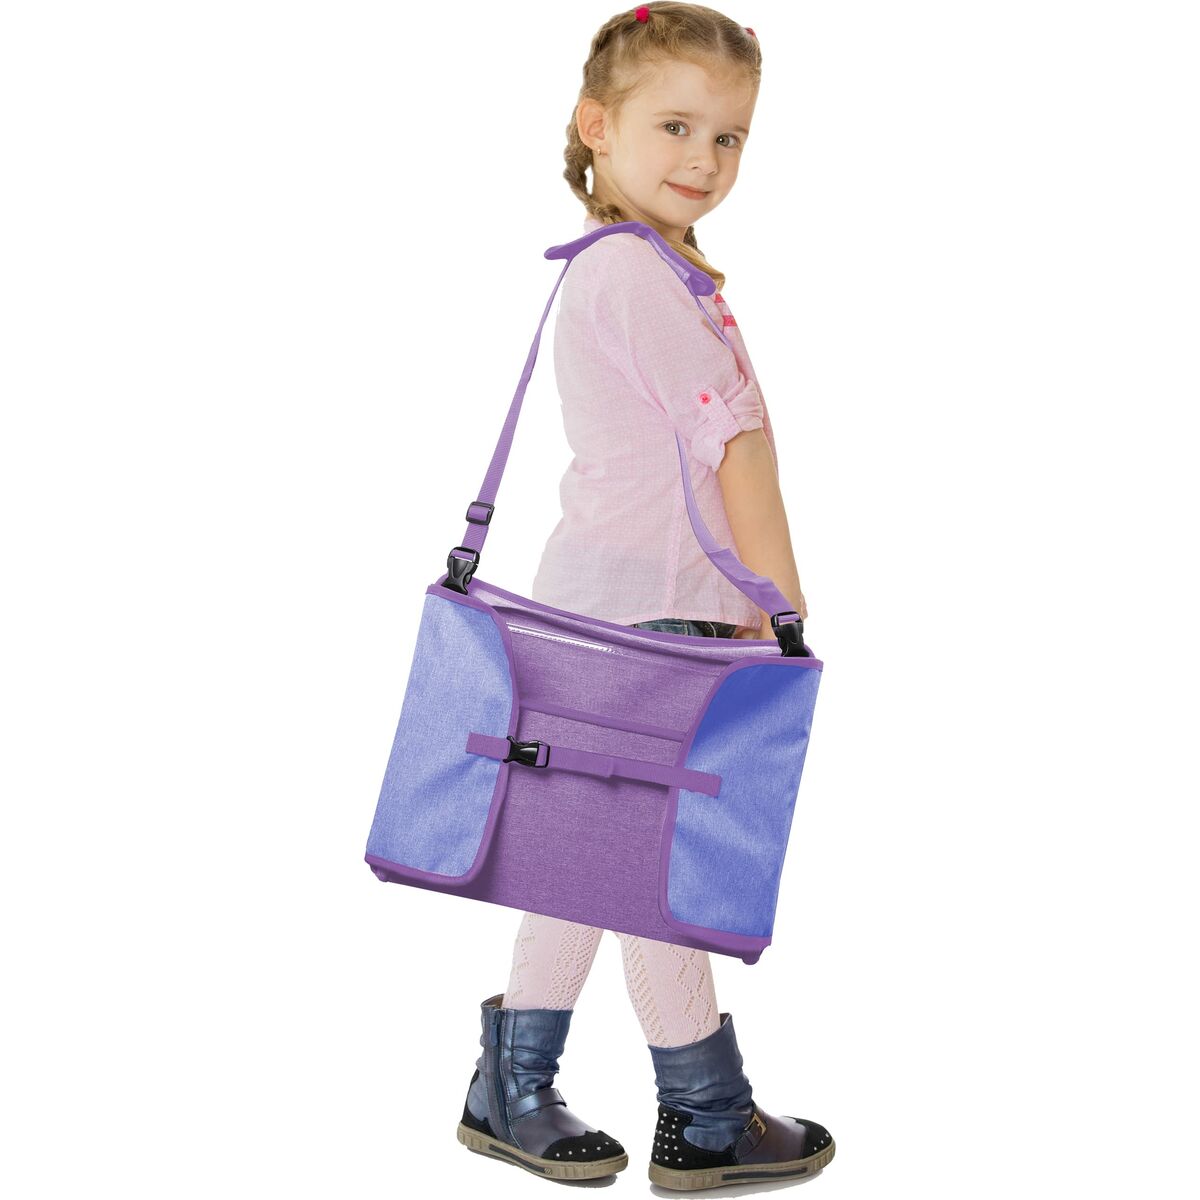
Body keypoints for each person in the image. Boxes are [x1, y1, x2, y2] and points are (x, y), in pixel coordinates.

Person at [455, 4, 833, 1189]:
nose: (703, 158)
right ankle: (704, 1113)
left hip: (613, 614)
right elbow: (739, 449)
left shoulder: (641, 267)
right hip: (647, 624)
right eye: (675, 126)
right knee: (650, 866)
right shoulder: (631, 271)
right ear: (596, 125)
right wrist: (783, 604)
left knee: (591, 861)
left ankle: (516, 1085)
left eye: (728, 137)